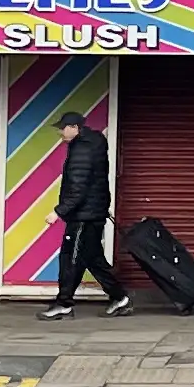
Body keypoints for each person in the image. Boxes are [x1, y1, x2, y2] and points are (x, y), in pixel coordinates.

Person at [48, 106, 128, 317]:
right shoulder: (91, 144)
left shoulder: (82, 149)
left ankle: (64, 304)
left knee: (70, 259)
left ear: (74, 127)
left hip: (83, 216)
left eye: (63, 128)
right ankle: (120, 298)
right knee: (92, 259)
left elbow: (78, 187)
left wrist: (58, 212)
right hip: (92, 213)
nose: (60, 132)